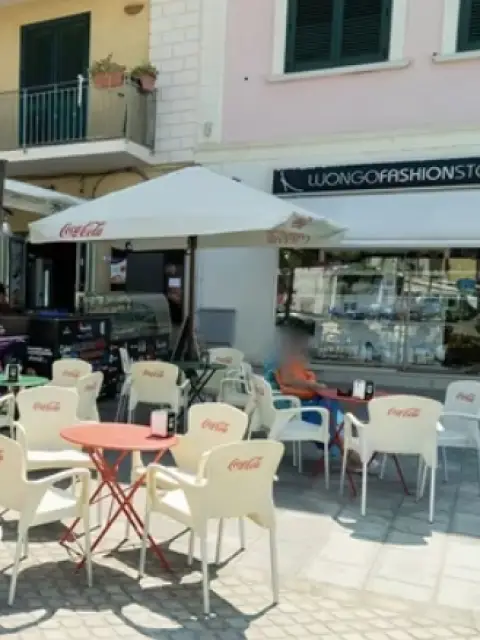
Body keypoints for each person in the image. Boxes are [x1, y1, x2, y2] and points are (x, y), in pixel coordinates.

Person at [274, 327, 364, 469]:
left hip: (309, 402)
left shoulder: (295, 360)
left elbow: (296, 379)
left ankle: (350, 442)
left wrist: (312, 383)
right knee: (330, 412)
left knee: (333, 408)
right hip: (300, 407)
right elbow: (288, 380)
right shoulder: (286, 360)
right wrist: (312, 384)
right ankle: (348, 449)